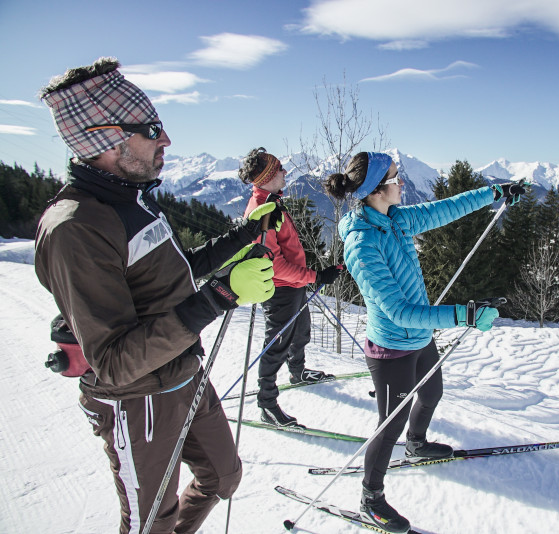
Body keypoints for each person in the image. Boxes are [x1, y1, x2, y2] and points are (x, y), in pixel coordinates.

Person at [34, 57, 278, 534]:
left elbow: (173, 272)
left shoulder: (132, 198)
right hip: (134, 399)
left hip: (183, 373)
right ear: (108, 139)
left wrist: (244, 235)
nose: (165, 139)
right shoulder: (76, 227)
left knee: (223, 478)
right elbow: (115, 360)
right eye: (151, 129)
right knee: (151, 521)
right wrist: (224, 294)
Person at [325, 152, 524, 534]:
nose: (403, 183)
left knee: (433, 392)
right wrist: (462, 315)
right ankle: (371, 497)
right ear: (377, 190)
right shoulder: (361, 243)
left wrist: (494, 192)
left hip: (420, 338)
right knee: (389, 425)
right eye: (397, 178)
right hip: (391, 348)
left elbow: (445, 210)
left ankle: (417, 445)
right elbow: (399, 311)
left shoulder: (396, 218)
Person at [239, 148, 343, 427]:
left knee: (301, 331)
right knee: (276, 344)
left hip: (293, 283)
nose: (286, 173)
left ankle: (298, 372)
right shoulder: (261, 211)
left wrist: (309, 277)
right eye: (280, 169)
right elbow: (273, 265)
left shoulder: (272, 202)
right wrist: (315, 276)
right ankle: (267, 404)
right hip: (279, 288)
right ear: (269, 176)